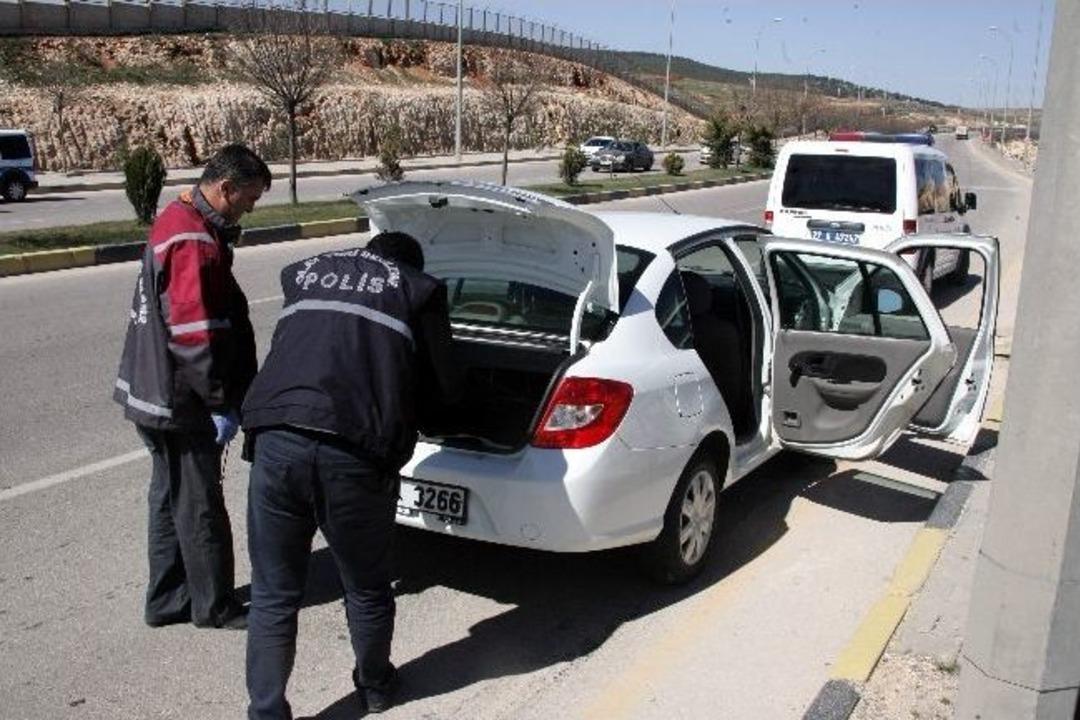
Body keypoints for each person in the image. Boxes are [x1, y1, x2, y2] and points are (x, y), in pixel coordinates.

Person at [241, 231, 461, 719]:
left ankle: (266, 711)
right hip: (353, 452)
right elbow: (445, 389)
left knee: (274, 592)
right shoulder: (417, 289)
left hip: (276, 438)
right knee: (365, 585)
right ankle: (376, 685)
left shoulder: (310, 275)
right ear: (411, 266)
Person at [114, 143, 271, 630]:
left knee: (170, 496)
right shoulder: (193, 240)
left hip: (152, 389)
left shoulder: (179, 216)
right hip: (181, 398)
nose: (250, 209)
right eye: (249, 198)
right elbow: (194, 334)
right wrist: (219, 402)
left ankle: (166, 599)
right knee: (200, 502)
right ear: (225, 187)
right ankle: (214, 605)